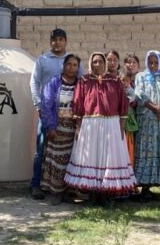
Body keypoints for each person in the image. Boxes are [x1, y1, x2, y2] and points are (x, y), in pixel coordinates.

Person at [64, 52, 136, 201]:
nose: (98, 64)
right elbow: (77, 104)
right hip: (90, 125)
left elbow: (123, 105)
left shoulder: (115, 81)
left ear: (105, 64)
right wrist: (78, 127)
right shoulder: (84, 81)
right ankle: (92, 194)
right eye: (95, 62)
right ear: (90, 63)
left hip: (111, 125)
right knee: (92, 158)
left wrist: (121, 129)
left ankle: (106, 194)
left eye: (101, 62)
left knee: (108, 158)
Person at [28, 28, 82, 200]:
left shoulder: (73, 60)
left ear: (66, 41)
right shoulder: (42, 60)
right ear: (50, 41)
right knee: (42, 150)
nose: (57, 42)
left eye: (61, 39)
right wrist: (38, 105)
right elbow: (34, 83)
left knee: (68, 153)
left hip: (69, 119)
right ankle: (37, 185)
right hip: (47, 113)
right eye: (54, 39)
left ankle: (65, 188)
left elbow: (83, 85)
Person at [134, 50, 160, 198]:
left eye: (156, 62)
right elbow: (139, 95)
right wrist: (155, 108)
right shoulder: (141, 77)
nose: (153, 65)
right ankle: (145, 189)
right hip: (148, 121)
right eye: (150, 62)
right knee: (147, 151)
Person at [40, 54, 81, 204]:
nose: (71, 67)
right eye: (69, 64)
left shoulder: (81, 84)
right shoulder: (54, 83)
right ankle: (55, 193)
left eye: (75, 65)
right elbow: (46, 105)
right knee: (56, 161)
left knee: (71, 160)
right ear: (63, 66)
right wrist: (50, 127)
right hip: (57, 127)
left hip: (74, 130)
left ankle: (68, 192)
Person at [121, 53, 140, 167]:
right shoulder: (120, 79)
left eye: (134, 62)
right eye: (128, 62)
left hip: (138, 116)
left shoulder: (141, 80)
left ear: (138, 65)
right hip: (124, 118)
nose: (131, 64)